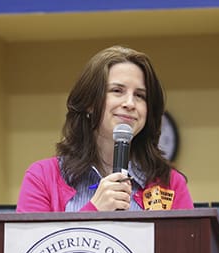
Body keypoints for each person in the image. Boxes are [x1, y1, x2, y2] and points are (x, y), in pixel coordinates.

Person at [16, 45, 193, 213]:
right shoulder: (42, 177)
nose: (130, 103)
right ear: (90, 103)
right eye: (117, 90)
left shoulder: (170, 183)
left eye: (140, 95)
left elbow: (187, 244)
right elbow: (32, 245)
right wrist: (94, 211)